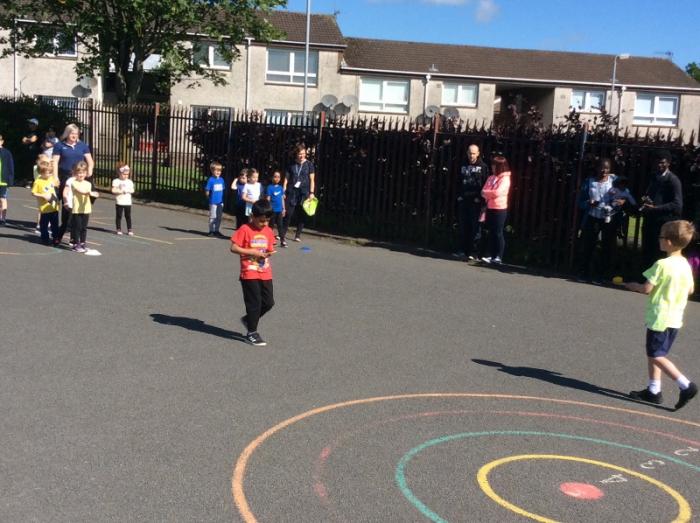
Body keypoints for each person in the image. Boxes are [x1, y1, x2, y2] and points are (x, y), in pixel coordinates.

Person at [626, 220, 697, 410]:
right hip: (675, 318)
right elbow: (690, 289)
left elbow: (646, 288)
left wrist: (633, 286)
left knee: (656, 355)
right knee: (657, 353)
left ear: (669, 242)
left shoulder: (662, 264)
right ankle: (654, 390)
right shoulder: (685, 264)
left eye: (661, 236)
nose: (659, 239)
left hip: (660, 317)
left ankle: (686, 385)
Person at [230, 199, 276, 347]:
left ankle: (248, 319)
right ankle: (251, 333)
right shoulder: (245, 229)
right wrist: (251, 252)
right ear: (252, 216)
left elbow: (269, 248)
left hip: (265, 270)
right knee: (254, 302)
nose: (265, 224)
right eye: (261, 221)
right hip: (249, 271)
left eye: (267, 220)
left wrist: (269, 253)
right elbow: (233, 248)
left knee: (268, 302)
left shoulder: (268, 231)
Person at [576, 158, 619, 284]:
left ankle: (601, 275)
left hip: (608, 218)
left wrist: (616, 203)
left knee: (606, 247)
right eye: (601, 168)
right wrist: (589, 203)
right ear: (596, 168)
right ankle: (584, 273)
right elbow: (580, 202)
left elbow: (622, 197)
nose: (604, 171)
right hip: (592, 217)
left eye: (607, 168)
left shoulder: (614, 181)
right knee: (588, 246)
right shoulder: (589, 182)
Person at [640, 150, 682, 270]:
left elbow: (677, 204)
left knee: (660, 253)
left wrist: (656, 208)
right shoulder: (653, 177)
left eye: (662, 162)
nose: (659, 165)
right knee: (647, 250)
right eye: (657, 162)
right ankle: (646, 277)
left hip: (663, 223)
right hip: (650, 220)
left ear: (668, 163)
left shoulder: (673, 180)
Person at [455, 144, 488, 259]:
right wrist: (459, 195)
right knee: (463, 226)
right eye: (470, 153)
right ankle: (462, 250)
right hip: (464, 200)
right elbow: (457, 180)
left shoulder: (483, 167)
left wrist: (480, 198)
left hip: (476, 201)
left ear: (478, 153)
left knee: (476, 228)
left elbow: (485, 183)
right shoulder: (462, 165)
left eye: (473, 153)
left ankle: (474, 252)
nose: (471, 156)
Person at [480, 155, 511, 264]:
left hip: (500, 208)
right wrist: (487, 193)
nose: (492, 167)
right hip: (490, 207)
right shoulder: (491, 177)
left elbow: (498, 192)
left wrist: (487, 193)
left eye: (494, 165)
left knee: (498, 232)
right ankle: (491, 255)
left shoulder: (505, 179)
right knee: (491, 232)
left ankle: (499, 256)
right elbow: (483, 190)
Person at [281, 143, 315, 244]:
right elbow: (286, 179)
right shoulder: (291, 164)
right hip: (292, 191)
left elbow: (312, 179)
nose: (302, 156)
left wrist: (311, 192)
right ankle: (282, 233)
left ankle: (298, 235)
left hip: (304, 192)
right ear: (296, 154)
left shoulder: (309, 164)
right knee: (288, 213)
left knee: (302, 213)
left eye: (303, 153)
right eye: (300, 154)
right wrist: (284, 190)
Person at [52, 123, 94, 197]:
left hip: (80, 175)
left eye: (76, 134)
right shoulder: (59, 145)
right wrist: (55, 176)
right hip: (65, 175)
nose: (74, 136)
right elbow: (55, 162)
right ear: (67, 133)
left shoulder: (83, 145)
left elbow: (90, 161)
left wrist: (90, 170)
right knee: (66, 197)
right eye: (72, 133)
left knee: (84, 197)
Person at [69, 161, 99, 253]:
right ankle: (75, 244)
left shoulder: (88, 184)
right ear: (75, 173)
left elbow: (89, 192)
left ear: (86, 173)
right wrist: (90, 193)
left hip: (86, 208)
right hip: (77, 209)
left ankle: (82, 243)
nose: (81, 175)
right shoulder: (74, 183)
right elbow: (80, 191)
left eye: (83, 173)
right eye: (79, 173)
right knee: (77, 227)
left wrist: (94, 194)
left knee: (84, 227)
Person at [30, 156, 60, 245]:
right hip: (44, 208)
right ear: (41, 172)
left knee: (55, 224)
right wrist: (43, 195)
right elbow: (33, 193)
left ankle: (55, 238)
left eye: (51, 172)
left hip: (54, 206)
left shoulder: (51, 178)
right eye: (48, 173)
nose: (50, 174)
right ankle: (45, 238)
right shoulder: (38, 181)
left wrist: (57, 185)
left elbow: (56, 185)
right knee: (44, 225)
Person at [112, 161, 135, 235]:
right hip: (119, 202)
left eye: (127, 174)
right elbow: (113, 190)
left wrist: (127, 191)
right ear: (119, 173)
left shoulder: (129, 182)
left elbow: (132, 190)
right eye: (124, 174)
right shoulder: (116, 181)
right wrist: (120, 191)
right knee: (119, 216)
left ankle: (129, 229)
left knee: (128, 216)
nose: (125, 176)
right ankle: (118, 229)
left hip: (127, 202)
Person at [204, 161, 226, 237]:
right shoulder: (211, 180)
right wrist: (208, 197)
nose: (218, 172)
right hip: (213, 202)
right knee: (213, 217)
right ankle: (211, 231)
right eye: (216, 170)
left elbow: (222, 189)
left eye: (219, 170)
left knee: (219, 217)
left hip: (220, 202)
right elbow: (207, 190)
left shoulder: (222, 180)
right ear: (212, 170)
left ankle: (216, 230)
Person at [266, 170, 286, 243]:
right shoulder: (269, 187)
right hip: (272, 210)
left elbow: (282, 199)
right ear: (272, 178)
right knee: (271, 226)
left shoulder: (280, 188)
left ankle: (282, 240)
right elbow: (268, 199)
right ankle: (271, 240)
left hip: (279, 210)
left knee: (280, 225)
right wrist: (267, 209)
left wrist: (284, 209)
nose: (277, 178)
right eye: (275, 177)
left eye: (278, 177)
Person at [0, 134, 15, 225]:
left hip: (3, 181)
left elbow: (10, 166)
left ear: (2, 141)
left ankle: (3, 218)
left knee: (3, 199)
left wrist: (10, 180)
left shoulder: (6, 153)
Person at [21, 118, 40, 187]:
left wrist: (27, 140)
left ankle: (34, 182)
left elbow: (33, 140)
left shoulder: (37, 132)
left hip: (35, 153)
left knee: (35, 167)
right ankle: (27, 181)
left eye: (31, 123)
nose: (29, 125)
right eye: (29, 123)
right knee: (27, 167)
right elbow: (23, 141)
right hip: (27, 153)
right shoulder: (27, 132)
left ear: (35, 125)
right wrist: (28, 140)